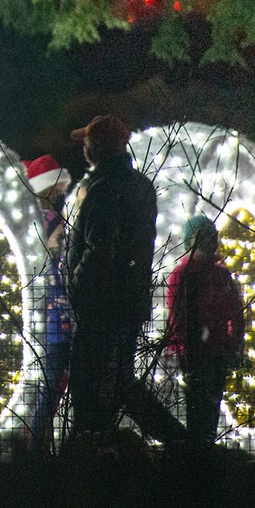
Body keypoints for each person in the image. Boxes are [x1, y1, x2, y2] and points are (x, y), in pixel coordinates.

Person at [64, 114, 186, 442]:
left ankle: (92, 443)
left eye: (88, 142)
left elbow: (99, 248)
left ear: (98, 147)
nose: (84, 148)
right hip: (130, 300)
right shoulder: (140, 186)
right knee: (119, 380)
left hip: (100, 303)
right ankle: (172, 441)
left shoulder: (102, 187)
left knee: (92, 378)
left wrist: (77, 285)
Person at [166, 215, 245, 445]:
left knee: (199, 414)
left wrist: (182, 347)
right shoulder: (217, 274)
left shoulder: (185, 274)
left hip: (197, 355)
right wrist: (232, 345)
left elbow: (177, 318)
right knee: (207, 415)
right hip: (210, 354)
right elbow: (236, 314)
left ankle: (198, 459)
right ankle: (203, 457)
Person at [24, 154, 73, 452]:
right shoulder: (53, 223)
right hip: (60, 315)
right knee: (53, 384)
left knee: (51, 384)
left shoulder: (31, 223)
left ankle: (37, 447)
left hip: (46, 314)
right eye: (59, 189)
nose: (63, 194)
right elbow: (61, 258)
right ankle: (34, 452)